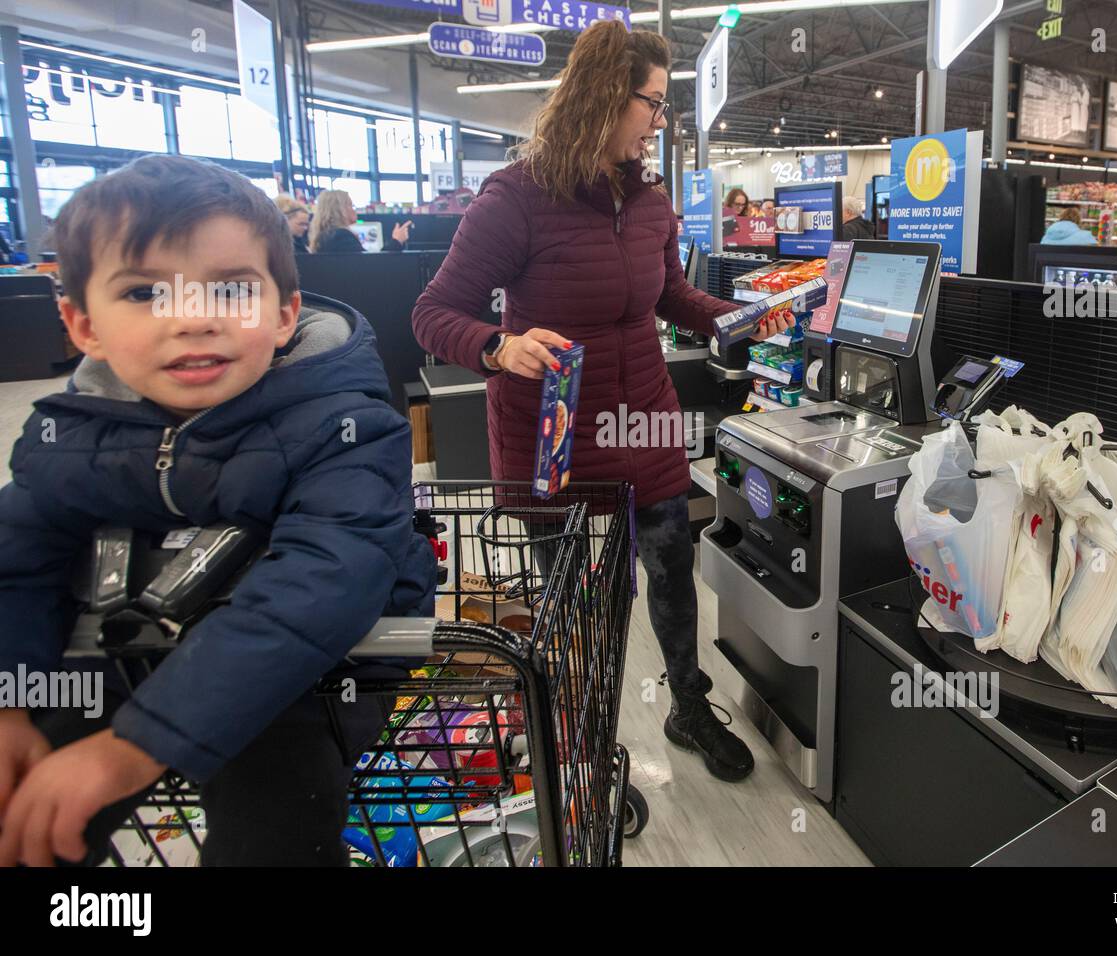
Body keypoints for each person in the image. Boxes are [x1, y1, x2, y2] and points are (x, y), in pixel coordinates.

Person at [0, 155, 435, 867]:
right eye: (144, 292)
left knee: (278, 812)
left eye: (231, 289)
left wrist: (141, 744)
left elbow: (321, 588)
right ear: (83, 326)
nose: (194, 318)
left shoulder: (344, 427)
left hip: (317, 666)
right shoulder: (70, 435)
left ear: (284, 313)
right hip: (124, 649)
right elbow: (16, 565)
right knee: (28, 815)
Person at [412, 21, 794, 784]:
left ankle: (688, 706)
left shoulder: (650, 200)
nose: (658, 119)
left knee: (670, 562)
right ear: (603, 96)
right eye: (651, 102)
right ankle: (575, 725)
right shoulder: (515, 198)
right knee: (567, 596)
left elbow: (673, 295)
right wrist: (498, 346)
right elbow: (432, 312)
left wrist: (738, 316)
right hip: (548, 429)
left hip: (642, 416)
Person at [309, 189, 411, 253]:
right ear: (340, 210)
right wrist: (397, 241)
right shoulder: (341, 236)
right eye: (351, 205)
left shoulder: (326, 235)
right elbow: (367, 265)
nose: (354, 210)